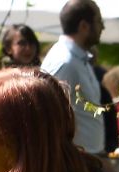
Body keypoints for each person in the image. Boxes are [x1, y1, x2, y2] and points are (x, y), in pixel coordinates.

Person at [41, 0, 106, 155]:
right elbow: (49, 119)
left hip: (88, 160)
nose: (102, 27)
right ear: (84, 26)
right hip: (74, 164)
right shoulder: (65, 62)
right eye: (99, 21)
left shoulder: (79, 59)